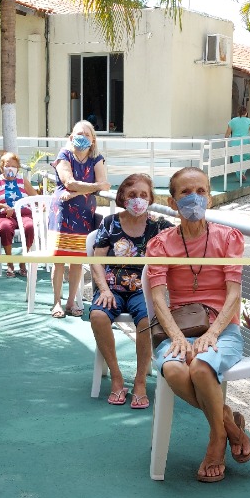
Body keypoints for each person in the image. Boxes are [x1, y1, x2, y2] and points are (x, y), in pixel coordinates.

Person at [145, 168, 250, 482]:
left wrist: (213, 333)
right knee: (176, 369)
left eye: (201, 191)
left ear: (210, 195)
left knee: (202, 367)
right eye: (186, 193)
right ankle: (227, 422)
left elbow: (234, 294)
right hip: (179, 327)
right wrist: (178, 338)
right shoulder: (161, 244)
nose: (195, 198)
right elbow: (159, 299)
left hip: (222, 328)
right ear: (172, 201)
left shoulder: (228, 238)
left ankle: (216, 440)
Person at [89, 174, 172, 408]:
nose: (138, 200)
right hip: (111, 288)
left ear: (151, 198)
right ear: (122, 197)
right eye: (132, 195)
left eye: (143, 195)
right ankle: (116, 377)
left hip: (143, 289)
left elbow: (184, 239)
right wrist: (103, 289)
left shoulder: (159, 225)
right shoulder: (110, 222)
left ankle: (139, 382)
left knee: (146, 319)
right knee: (97, 316)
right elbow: (97, 261)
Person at [48, 120, 108, 317]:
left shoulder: (97, 158)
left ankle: (71, 302)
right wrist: (92, 187)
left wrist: (75, 192)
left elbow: (103, 183)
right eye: (78, 133)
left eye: (86, 134)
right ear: (71, 137)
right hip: (63, 213)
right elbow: (69, 182)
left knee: (76, 261)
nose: (82, 137)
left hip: (84, 215)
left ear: (93, 139)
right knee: (59, 260)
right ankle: (56, 302)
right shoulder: (64, 155)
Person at [0, 151, 38, 277]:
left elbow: (35, 196)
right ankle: (9, 262)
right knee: (5, 228)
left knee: (30, 227)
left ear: (18, 168)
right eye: (7, 165)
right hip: (5, 214)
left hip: (23, 213)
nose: (10, 169)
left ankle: (23, 261)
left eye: (13, 166)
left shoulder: (22, 179)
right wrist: (2, 206)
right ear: (2, 167)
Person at [225, 104, 250, 177]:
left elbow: (227, 134)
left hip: (235, 143)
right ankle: (242, 173)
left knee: (236, 161)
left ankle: (240, 174)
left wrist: (226, 141)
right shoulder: (249, 121)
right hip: (246, 142)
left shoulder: (232, 121)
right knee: (247, 158)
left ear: (238, 113)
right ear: (246, 113)